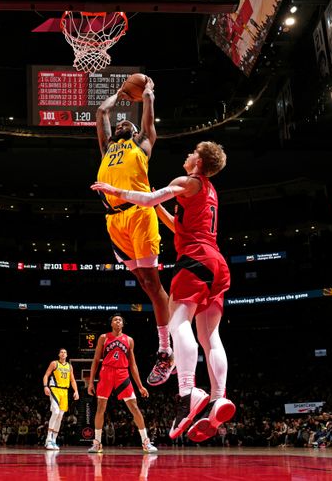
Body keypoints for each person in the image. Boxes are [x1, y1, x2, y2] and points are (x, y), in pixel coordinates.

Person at [91, 141, 234, 442]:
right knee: (211, 337)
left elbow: (147, 199)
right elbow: (177, 225)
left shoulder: (188, 181)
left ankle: (188, 393)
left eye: (192, 152)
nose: (187, 154)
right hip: (217, 264)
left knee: (178, 322)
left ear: (199, 163)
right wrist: (157, 206)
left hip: (195, 260)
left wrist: (114, 192)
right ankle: (219, 398)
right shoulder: (208, 191)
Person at [95, 76, 175, 387]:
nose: (123, 124)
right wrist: (118, 94)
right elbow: (103, 112)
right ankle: (167, 327)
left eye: (128, 124)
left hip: (140, 215)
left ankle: (165, 350)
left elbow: (148, 120)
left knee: (153, 283)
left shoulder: (141, 145)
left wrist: (149, 95)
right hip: (114, 221)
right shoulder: (107, 150)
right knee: (142, 281)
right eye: (120, 126)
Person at [86, 315, 157, 453]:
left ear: (123, 324)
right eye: (115, 320)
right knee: (101, 407)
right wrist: (90, 382)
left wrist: (140, 386)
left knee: (134, 407)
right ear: (111, 323)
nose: (117, 321)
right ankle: (97, 443)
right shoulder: (103, 338)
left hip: (122, 374)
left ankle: (146, 442)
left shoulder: (129, 340)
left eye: (120, 320)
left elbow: (133, 365)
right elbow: (95, 360)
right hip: (106, 372)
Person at [42, 348, 80, 450]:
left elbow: (72, 380)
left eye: (65, 352)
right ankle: (48, 439)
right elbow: (46, 375)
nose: (63, 354)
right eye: (61, 352)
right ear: (59, 354)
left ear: (67, 355)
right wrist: (45, 386)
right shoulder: (54, 363)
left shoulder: (69, 366)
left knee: (60, 416)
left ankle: (54, 440)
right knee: (55, 411)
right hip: (55, 389)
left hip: (65, 392)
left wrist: (76, 391)